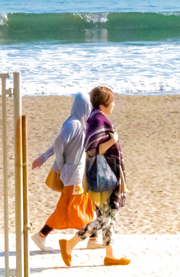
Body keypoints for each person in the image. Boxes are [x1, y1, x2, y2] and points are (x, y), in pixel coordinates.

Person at [61, 86, 129, 267]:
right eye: (112, 101)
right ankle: (70, 243)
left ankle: (110, 255)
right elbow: (94, 149)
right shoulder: (98, 120)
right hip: (103, 175)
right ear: (104, 103)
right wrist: (112, 140)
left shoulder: (94, 118)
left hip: (101, 174)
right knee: (106, 217)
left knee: (109, 216)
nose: (113, 104)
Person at [29, 90, 93, 253]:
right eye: (88, 106)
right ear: (84, 107)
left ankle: (41, 235)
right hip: (73, 176)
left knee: (67, 207)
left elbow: (62, 143)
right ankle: (89, 234)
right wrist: (58, 162)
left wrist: (44, 157)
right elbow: (59, 142)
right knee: (75, 209)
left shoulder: (79, 123)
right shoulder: (74, 124)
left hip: (77, 175)